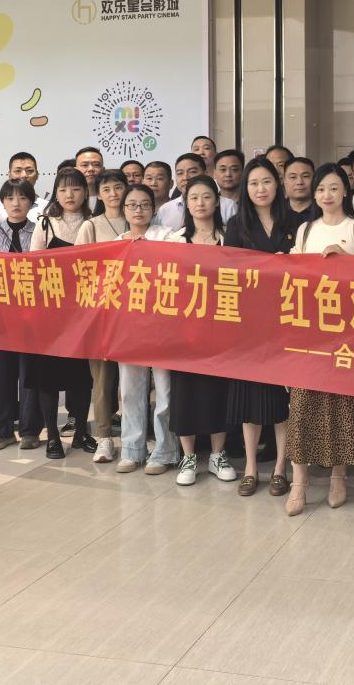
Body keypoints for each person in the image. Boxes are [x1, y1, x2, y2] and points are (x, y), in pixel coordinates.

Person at [285, 164, 354, 515]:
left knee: (342, 401)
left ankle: (339, 476)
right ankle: (299, 482)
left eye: (334, 188)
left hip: (347, 329)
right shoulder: (306, 229)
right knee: (301, 402)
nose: (327, 195)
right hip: (309, 328)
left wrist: (347, 261)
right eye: (321, 189)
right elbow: (294, 273)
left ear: (345, 191)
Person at [223, 158, 294, 497]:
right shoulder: (236, 225)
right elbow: (227, 271)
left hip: (286, 321)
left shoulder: (294, 222)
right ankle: (251, 467)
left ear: (277, 184)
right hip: (249, 323)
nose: (260, 189)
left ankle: (281, 467)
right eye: (253, 183)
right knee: (248, 397)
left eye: (266, 181)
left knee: (282, 399)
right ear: (245, 188)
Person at [166, 175, 238, 486]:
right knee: (185, 392)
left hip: (221, 327)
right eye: (193, 197)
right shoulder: (175, 240)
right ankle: (189, 456)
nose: (200, 203)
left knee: (219, 391)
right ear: (186, 203)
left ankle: (218, 455)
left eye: (206, 197)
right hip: (185, 330)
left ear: (217, 201)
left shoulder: (230, 238)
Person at [26, 166, 95, 458]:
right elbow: (32, 267)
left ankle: (81, 433)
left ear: (85, 192)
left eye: (76, 189)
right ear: (55, 192)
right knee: (48, 377)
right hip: (50, 313)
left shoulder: (94, 223)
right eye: (63, 189)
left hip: (83, 313)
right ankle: (52, 436)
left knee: (81, 377)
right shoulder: (45, 224)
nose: (69, 195)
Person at [114, 185, 179, 473]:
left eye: (144, 204)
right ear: (124, 210)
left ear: (153, 209)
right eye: (132, 205)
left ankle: (165, 451)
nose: (138, 210)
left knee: (165, 391)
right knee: (129, 390)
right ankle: (132, 449)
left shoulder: (167, 236)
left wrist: (148, 248)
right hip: (128, 326)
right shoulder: (115, 242)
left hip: (162, 324)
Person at [0, 180, 44, 451]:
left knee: (30, 374)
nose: (16, 203)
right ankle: (1, 430)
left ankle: (30, 430)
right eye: (10, 198)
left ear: (31, 202)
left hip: (32, 317)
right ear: (2, 202)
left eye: (23, 198)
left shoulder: (40, 233)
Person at [76, 169, 130, 463]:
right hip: (102, 313)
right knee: (102, 380)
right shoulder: (91, 225)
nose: (113, 194)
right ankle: (104, 437)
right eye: (106, 189)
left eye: (118, 187)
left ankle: (135, 437)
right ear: (98, 193)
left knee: (134, 381)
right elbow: (79, 268)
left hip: (135, 312)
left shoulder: (138, 219)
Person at [157, 153, 237, 229]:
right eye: (180, 173)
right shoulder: (165, 210)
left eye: (192, 172)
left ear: (205, 174)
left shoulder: (228, 206)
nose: (185, 177)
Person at [0, 152, 45, 226]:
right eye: (18, 171)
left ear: (37, 175)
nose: (24, 175)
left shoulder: (47, 207)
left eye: (30, 171)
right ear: (9, 174)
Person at [282, 156, 319, 231]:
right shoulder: (276, 212)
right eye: (293, 177)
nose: (299, 182)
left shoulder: (324, 211)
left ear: (315, 179)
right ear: (284, 181)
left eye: (305, 176)